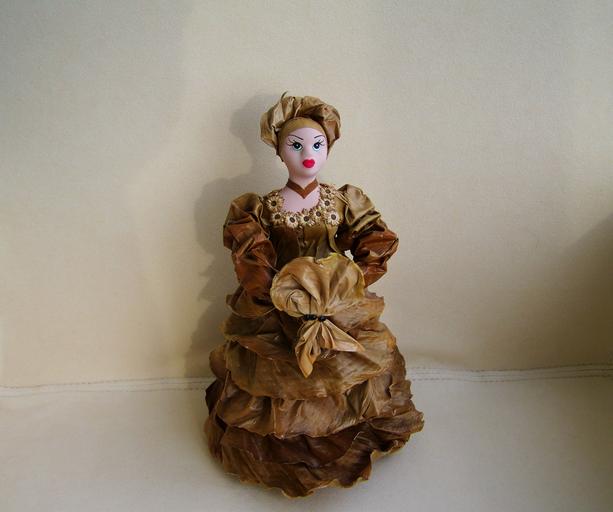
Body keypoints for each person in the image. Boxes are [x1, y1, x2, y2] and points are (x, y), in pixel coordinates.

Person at [204, 92, 424, 498]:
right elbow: (254, 258)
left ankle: (343, 436)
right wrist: (275, 293)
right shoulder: (263, 207)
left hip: (337, 305)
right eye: (296, 145)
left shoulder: (342, 200)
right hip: (279, 306)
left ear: (329, 147)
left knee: (344, 373)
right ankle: (285, 448)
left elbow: (374, 240)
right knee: (280, 378)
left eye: (317, 145)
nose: (308, 155)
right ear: (279, 151)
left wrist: (350, 281)